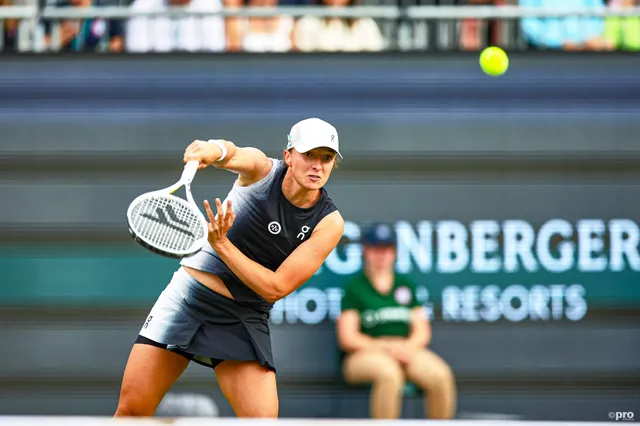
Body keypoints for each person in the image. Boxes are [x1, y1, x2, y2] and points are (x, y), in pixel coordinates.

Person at [114, 118, 345, 418]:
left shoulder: (329, 223)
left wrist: (222, 245)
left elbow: (275, 288)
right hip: (188, 299)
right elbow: (234, 154)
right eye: (309, 155)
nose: (317, 165)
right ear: (288, 156)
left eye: (326, 158)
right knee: (132, 411)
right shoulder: (262, 171)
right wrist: (214, 149)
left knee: (261, 422)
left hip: (244, 315)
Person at [336, 222, 456, 420]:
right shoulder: (355, 288)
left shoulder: (405, 285)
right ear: (366, 251)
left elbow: (422, 330)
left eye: (386, 249)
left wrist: (408, 347)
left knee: (440, 375)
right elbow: (347, 337)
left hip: (405, 350)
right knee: (389, 375)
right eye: (376, 249)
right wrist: (383, 347)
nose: (381, 255)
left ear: (394, 252)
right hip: (366, 352)